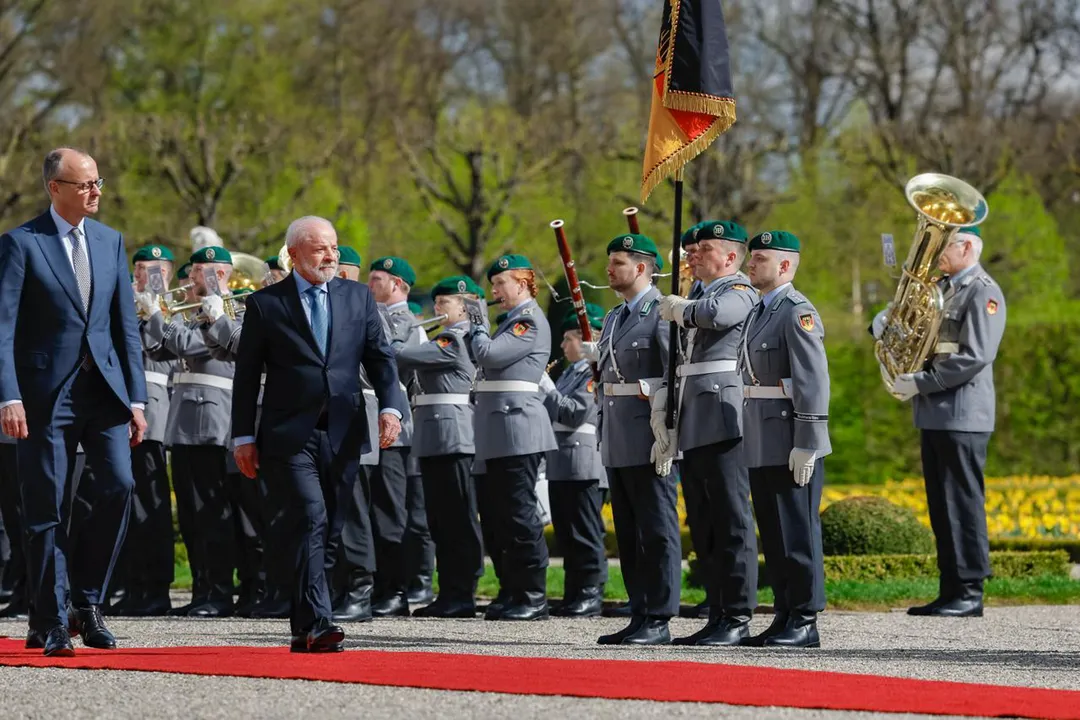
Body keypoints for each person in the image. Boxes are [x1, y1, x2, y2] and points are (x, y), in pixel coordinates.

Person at [231, 216, 403, 653]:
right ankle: (320, 622)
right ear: (293, 255)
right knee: (310, 516)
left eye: (334, 247)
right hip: (290, 434)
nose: (331, 256)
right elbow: (247, 376)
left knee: (330, 531)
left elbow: (380, 359)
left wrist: (390, 407)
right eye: (319, 249)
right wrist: (242, 437)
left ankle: (301, 623)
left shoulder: (357, 297)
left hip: (343, 430)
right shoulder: (266, 304)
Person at [0, 147, 147, 656]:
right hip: (43, 396)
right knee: (45, 508)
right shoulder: (21, 244)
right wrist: (9, 395)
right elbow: (3, 327)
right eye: (84, 184)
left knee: (120, 486)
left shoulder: (110, 242)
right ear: (54, 188)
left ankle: (85, 601)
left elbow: (124, 326)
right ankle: (49, 619)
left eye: (97, 182)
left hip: (103, 392)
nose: (95, 191)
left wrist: (137, 398)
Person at [874, 224, 1005, 618]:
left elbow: (975, 356)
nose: (936, 255)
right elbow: (922, 339)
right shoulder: (943, 289)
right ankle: (951, 587)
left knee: (962, 503)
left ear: (967, 246)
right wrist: (886, 325)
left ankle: (969, 590)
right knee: (942, 504)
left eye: (944, 245)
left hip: (962, 412)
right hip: (936, 413)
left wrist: (923, 382)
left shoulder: (983, 291)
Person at [656, 220, 759, 646]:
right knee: (703, 521)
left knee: (731, 519)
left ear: (731, 258)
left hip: (722, 414)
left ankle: (737, 614)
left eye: (704, 250)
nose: (692, 256)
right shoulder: (698, 293)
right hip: (695, 414)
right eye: (691, 250)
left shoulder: (737, 289)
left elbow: (720, 317)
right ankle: (717, 609)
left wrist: (680, 309)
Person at [581, 233, 679, 645]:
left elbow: (673, 376)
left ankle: (659, 615)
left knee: (656, 528)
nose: (609, 269)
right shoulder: (616, 317)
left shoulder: (661, 313)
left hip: (649, 433)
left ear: (641, 268)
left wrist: (668, 432)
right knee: (629, 530)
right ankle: (639, 611)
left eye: (617, 262)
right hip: (619, 434)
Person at [137, 245, 243, 617]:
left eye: (200, 271)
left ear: (221, 275)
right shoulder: (200, 311)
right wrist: (153, 316)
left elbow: (189, 344)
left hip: (213, 421)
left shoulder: (235, 311)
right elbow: (160, 348)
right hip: (183, 422)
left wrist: (159, 319)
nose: (193, 277)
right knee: (194, 516)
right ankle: (202, 589)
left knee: (211, 511)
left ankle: (217, 591)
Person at [740, 230, 830, 648]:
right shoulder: (761, 311)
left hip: (791, 436)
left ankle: (805, 618)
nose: (750, 264)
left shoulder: (797, 312)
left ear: (785, 266)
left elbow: (812, 380)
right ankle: (785, 611)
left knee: (797, 530)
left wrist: (808, 439)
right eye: (751, 258)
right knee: (774, 533)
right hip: (762, 434)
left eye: (759, 259)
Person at [465, 254, 557, 621]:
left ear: (521, 283)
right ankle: (512, 589)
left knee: (520, 515)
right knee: (500, 515)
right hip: (498, 428)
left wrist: (475, 321)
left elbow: (487, 354)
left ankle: (533, 595)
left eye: (500, 283)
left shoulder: (528, 321)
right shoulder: (511, 322)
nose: (494, 291)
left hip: (518, 428)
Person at [396, 275, 486, 617]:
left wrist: (393, 338)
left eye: (444, 303)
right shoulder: (444, 337)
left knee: (457, 517)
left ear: (463, 306)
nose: (437, 308)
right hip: (435, 436)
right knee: (440, 518)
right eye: (436, 303)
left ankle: (462, 590)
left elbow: (404, 354)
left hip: (454, 436)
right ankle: (450, 589)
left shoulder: (455, 339)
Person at [364, 256, 430, 616]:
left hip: (393, 429)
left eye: (378, 279)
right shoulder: (372, 316)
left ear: (398, 285)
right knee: (369, 510)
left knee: (390, 512)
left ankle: (395, 589)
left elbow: (389, 358)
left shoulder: (408, 323)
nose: (370, 284)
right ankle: (375, 585)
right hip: (366, 423)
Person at [118, 244, 179, 616]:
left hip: (154, 410)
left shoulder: (171, 308)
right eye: (139, 269)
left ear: (165, 274)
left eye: (151, 270)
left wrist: (153, 311)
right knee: (126, 501)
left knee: (151, 505)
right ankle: (134, 583)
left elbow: (172, 348)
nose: (142, 275)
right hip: (120, 406)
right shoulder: (128, 301)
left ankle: (157, 586)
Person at [541, 303, 609, 618]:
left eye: (569, 338)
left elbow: (573, 412)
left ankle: (590, 592)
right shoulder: (571, 372)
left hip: (583, 460)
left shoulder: (593, 371)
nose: (563, 345)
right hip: (563, 460)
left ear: (587, 339)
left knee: (584, 530)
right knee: (567, 532)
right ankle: (574, 591)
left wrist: (545, 387)